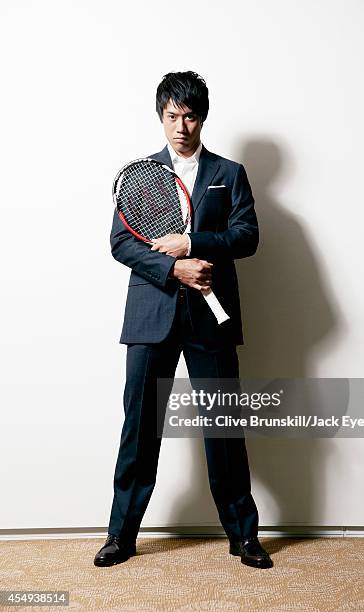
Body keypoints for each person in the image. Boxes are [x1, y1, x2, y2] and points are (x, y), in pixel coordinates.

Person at [94, 71, 273, 569]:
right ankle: (121, 536)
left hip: (211, 319)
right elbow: (122, 242)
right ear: (161, 117)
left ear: (202, 118)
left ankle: (244, 536)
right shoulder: (142, 175)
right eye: (172, 116)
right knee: (140, 429)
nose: (181, 126)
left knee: (223, 428)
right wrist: (173, 266)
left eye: (190, 116)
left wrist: (195, 245)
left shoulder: (229, 172)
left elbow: (247, 236)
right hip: (151, 317)